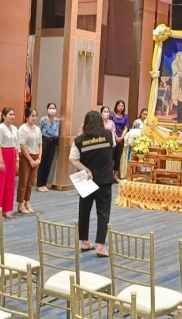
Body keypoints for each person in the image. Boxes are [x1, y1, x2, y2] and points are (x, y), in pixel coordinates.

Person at [69, 110, 115, 258]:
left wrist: (86, 169)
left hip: (86, 180)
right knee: (103, 213)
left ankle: (85, 242)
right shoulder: (108, 135)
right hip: (104, 180)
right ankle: (100, 246)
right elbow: (113, 146)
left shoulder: (79, 140)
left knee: (84, 210)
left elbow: (73, 159)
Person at [0, 107, 19, 218]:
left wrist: (17, 159)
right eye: (10, 114)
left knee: (10, 183)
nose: (12, 116)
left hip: (12, 155)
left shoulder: (15, 129)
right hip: (2, 154)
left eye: (13, 114)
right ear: (4, 116)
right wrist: (1, 161)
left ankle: (7, 208)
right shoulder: (0, 128)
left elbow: (16, 146)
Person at [17, 107, 42, 214]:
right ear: (27, 117)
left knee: (31, 182)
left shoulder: (37, 129)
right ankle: (20, 204)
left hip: (36, 156)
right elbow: (22, 146)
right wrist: (30, 159)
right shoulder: (23, 128)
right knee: (23, 181)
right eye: (32, 116)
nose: (34, 118)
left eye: (36, 116)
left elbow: (40, 144)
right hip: (26, 157)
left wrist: (39, 158)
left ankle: (28, 202)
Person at [37, 102, 60, 192]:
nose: (52, 110)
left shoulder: (57, 120)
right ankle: (39, 184)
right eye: (50, 108)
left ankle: (44, 184)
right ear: (47, 109)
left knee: (48, 163)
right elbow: (39, 131)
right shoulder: (43, 119)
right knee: (42, 162)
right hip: (44, 140)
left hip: (53, 141)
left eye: (54, 108)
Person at [111, 100, 128, 181]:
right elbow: (110, 126)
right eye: (119, 105)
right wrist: (115, 136)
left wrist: (121, 137)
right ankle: (109, 175)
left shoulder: (125, 116)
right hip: (112, 138)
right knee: (111, 157)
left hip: (121, 138)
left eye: (122, 106)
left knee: (118, 158)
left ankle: (115, 176)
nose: (121, 107)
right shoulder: (111, 115)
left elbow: (126, 127)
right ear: (116, 106)